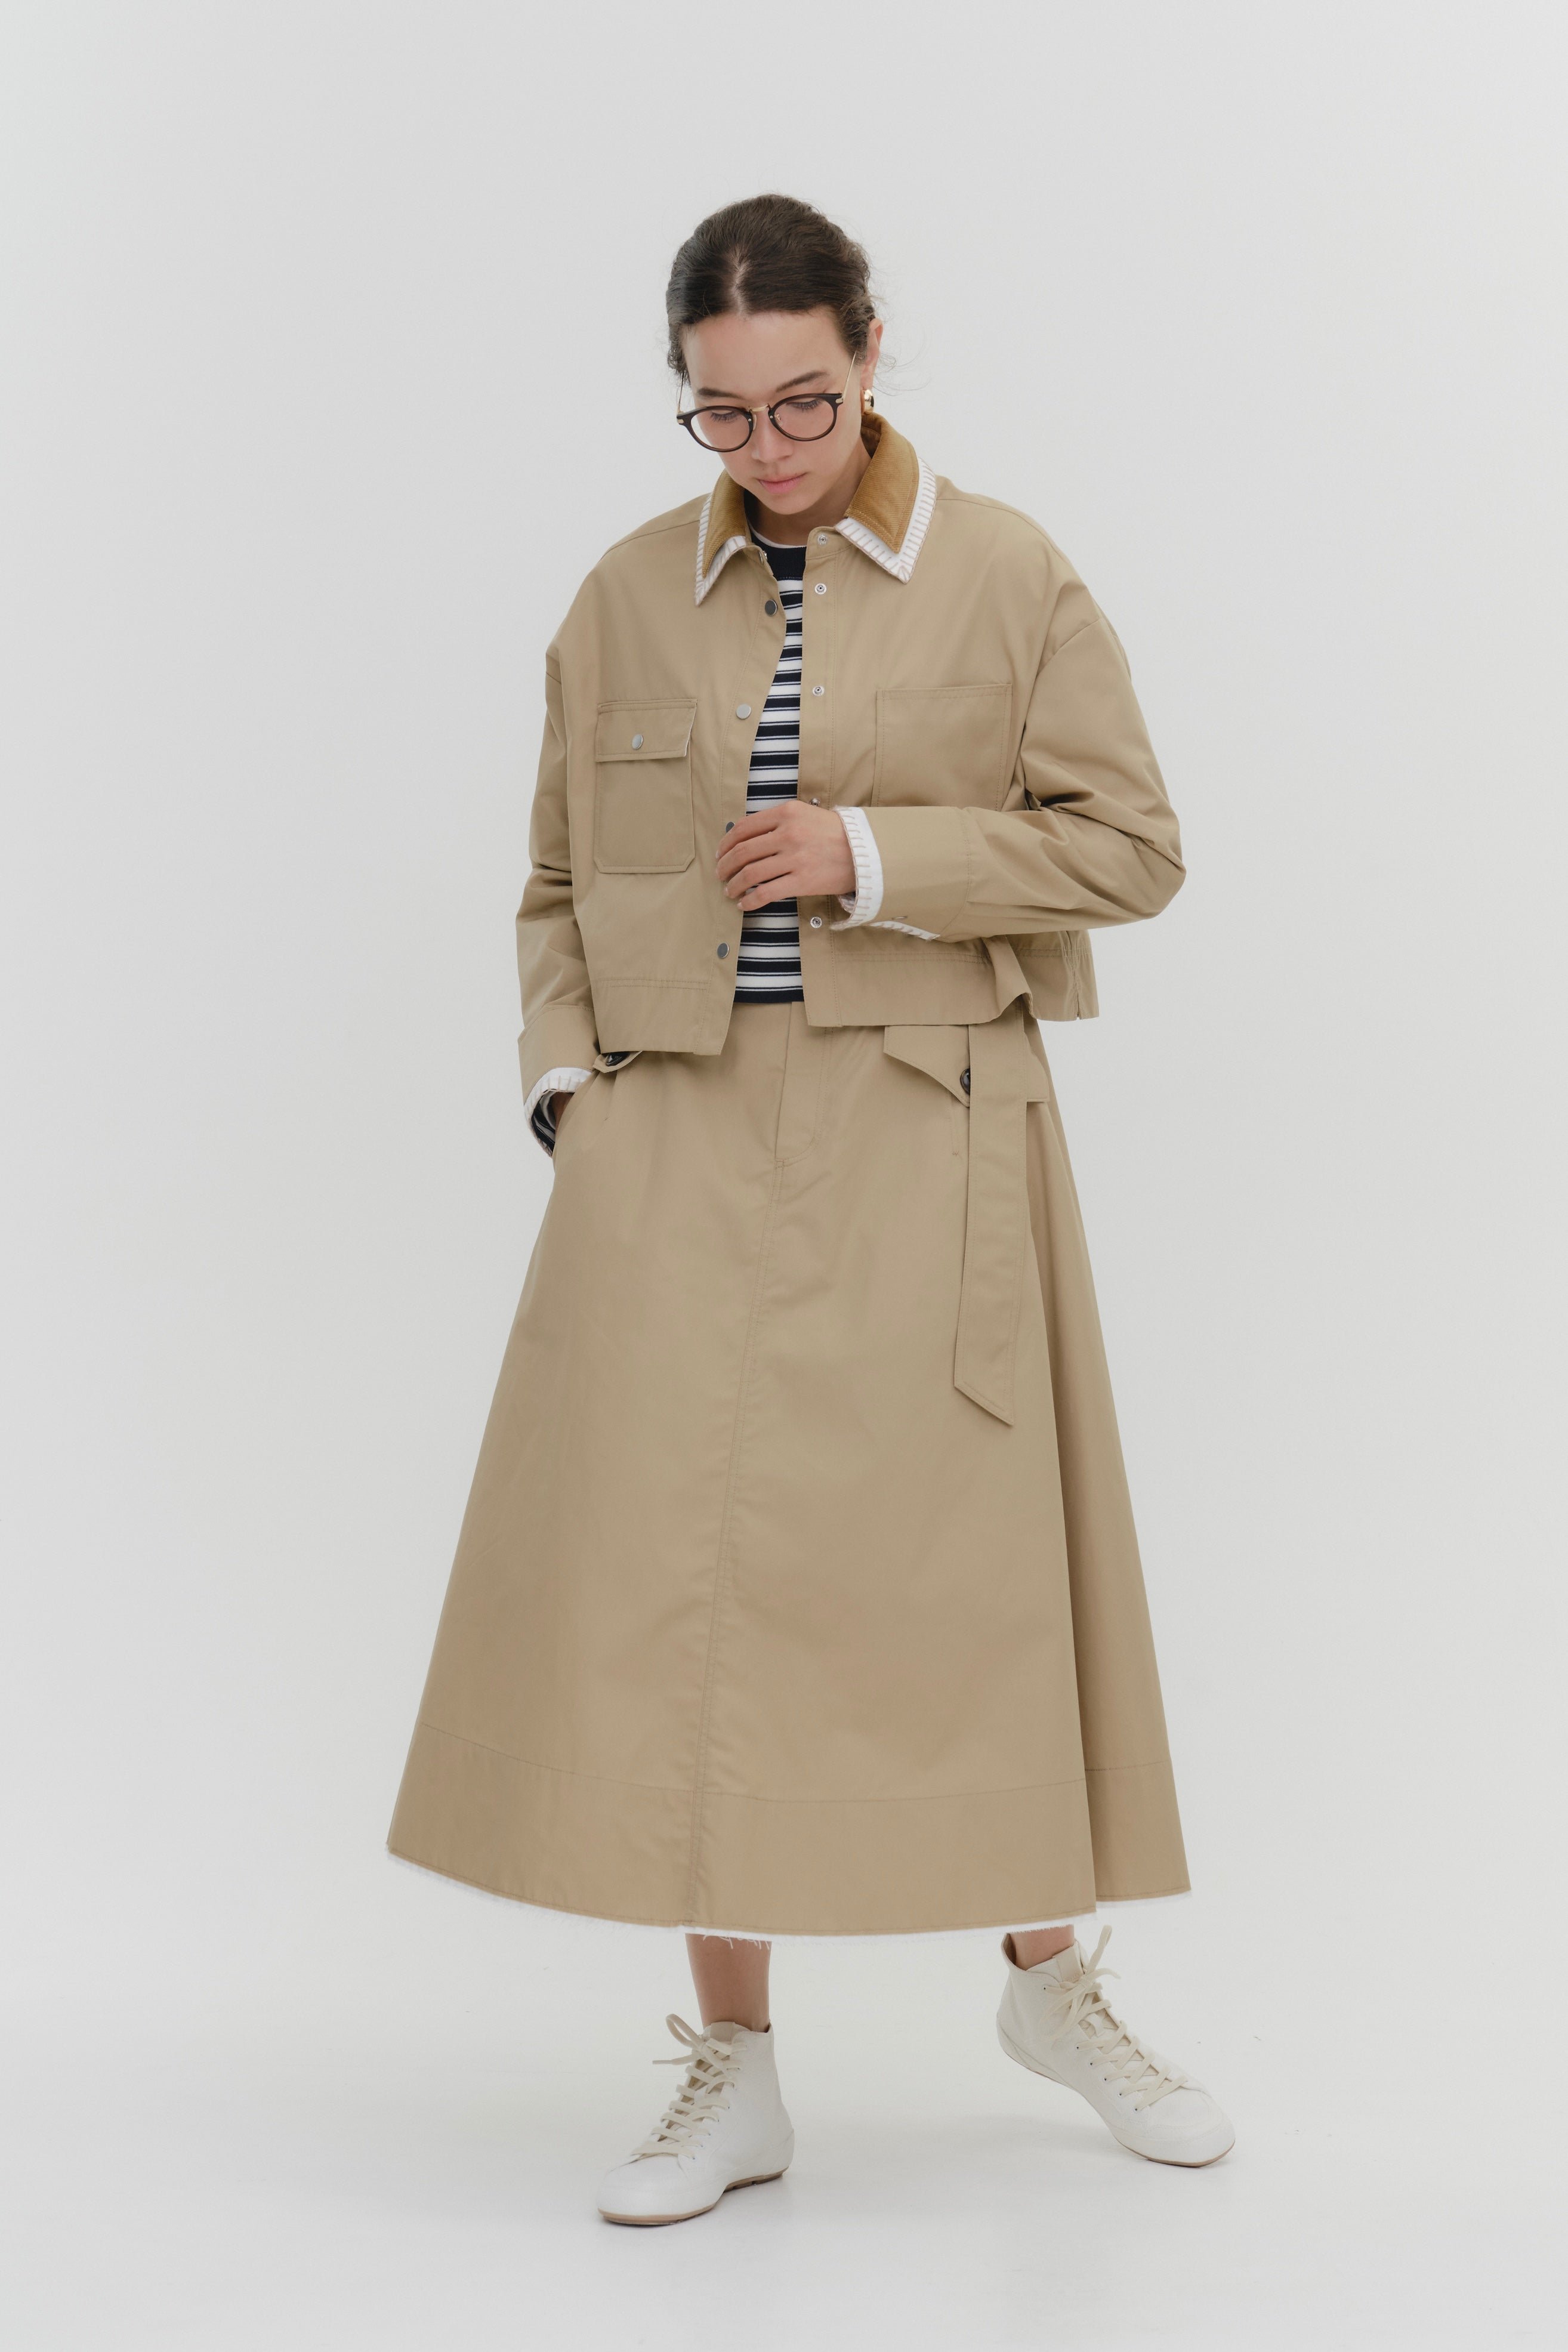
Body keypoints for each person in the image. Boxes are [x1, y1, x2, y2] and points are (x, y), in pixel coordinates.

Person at [388, 192, 1234, 2224]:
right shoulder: (622, 595)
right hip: (674, 1143)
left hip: (924, 1131)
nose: (767, 450)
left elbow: (1130, 849)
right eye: (721, 414)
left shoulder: (1006, 575)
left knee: (964, 1593)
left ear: (869, 356)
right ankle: (736, 2069)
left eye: (803, 404)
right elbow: (551, 883)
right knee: (690, 1603)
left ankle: (1052, 1988)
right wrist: (567, 1089)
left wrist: (870, 851)